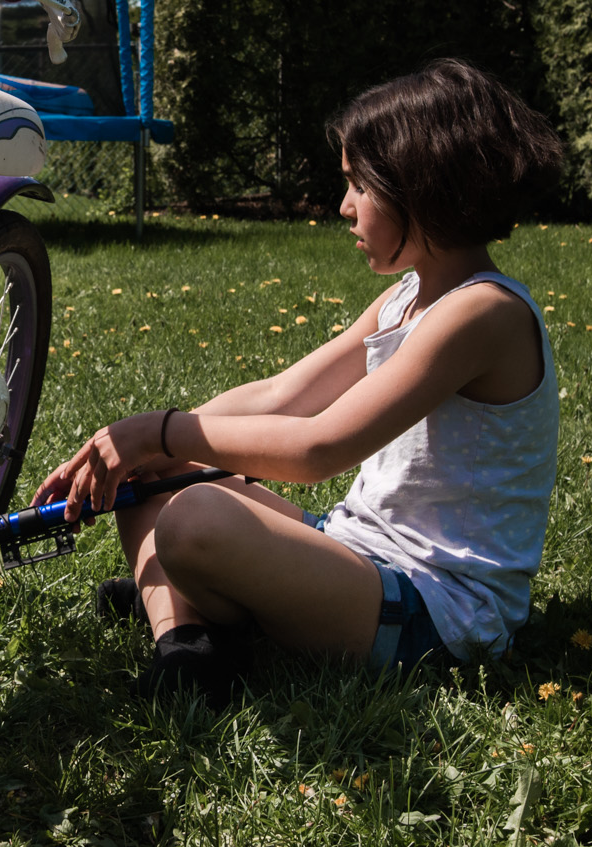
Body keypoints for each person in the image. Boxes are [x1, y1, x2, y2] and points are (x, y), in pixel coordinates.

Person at [36, 59, 565, 701]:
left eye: (359, 187)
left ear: (422, 186)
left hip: (435, 612)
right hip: (353, 550)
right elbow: (286, 395)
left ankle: (200, 607)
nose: (343, 206)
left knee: (193, 518)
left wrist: (161, 434)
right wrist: (140, 448)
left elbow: (319, 448)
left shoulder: (483, 313)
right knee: (159, 479)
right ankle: (188, 642)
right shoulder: (409, 297)